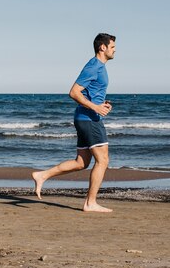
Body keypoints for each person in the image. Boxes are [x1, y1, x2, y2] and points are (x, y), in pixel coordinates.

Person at [32, 33, 116, 212]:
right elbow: (74, 92)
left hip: (86, 117)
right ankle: (90, 203)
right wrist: (95, 108)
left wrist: (102, 105)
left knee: (82, 162)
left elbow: (89, 93)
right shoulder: (94, 66)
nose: (115, 50)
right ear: (103, 47)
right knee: (103, 160)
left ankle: (42, 175)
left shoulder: (99, 67)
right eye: (113, 47)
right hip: (89, 119)